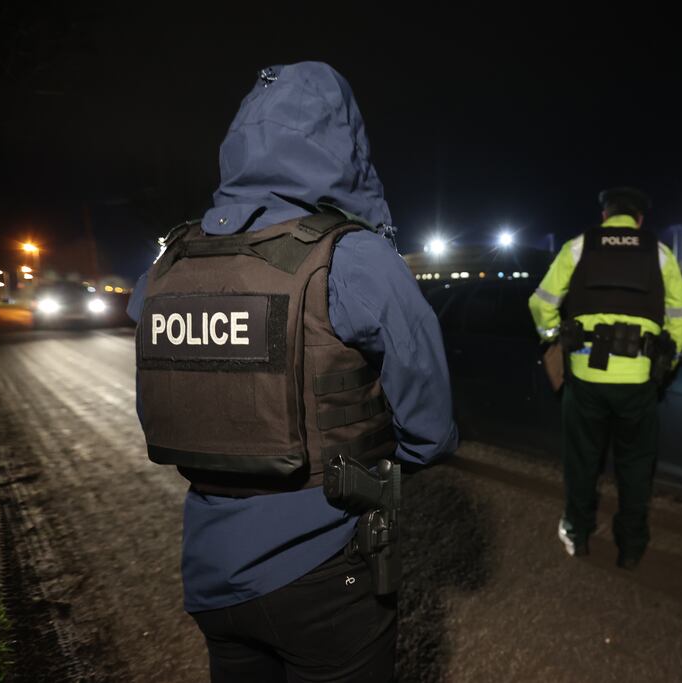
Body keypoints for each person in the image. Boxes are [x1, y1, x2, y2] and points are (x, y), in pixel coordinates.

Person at [127, 62, 457, 682]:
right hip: (328, 571)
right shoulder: (352, 256)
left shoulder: (171, 262)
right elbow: (431, 431)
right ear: (344, 145)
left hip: (210, 571)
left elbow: (149, 327)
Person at [528, 187, 682, 569]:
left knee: (582, 462)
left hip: (585, 379)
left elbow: (540, 302)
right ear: (639, 219)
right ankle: (631, 547)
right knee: (635, 466)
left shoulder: (578, 247)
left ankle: (578, 533)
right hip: (638, 382)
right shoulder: (660, 253)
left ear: (605, 216)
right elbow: (681, 317)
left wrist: (553, 337)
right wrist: (667, 364)